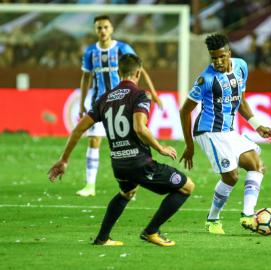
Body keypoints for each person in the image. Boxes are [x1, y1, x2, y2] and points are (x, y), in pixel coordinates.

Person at [48, 54, 194, 247]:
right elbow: (140, 128)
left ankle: (102, 238)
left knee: (127, 192)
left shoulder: (105, 98)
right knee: (186, 187)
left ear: (118, 72)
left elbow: (78, 129)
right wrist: (160, 148)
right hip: (140, 163)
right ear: (139, 72)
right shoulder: (140, 95)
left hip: (119, 164)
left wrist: (64, 159)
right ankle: (151, 231)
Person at [179, 33, 271, 234]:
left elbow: (240, 100)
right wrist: (189, 146)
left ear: (229, 52)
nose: (218, 61)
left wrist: (257, 125)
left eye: (222, 56)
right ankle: (212, 219)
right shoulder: (205, 79)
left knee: (257, 166)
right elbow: (184, 110)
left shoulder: (241, 67)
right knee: (231, 177)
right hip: (208, 131)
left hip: (229, 130)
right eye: (214, 58)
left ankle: (248, 216)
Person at [77, 15, 163, 197]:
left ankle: (134, 184)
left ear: (112, 29)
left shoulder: (123, 48)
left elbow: (140, 69)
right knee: (94, 140)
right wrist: (81, 103)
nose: (102, 31)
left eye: (105, 27)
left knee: (132, 141)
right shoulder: (90, 52)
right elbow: (86, 78)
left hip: (123, 103)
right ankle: (90, 185)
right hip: (100, 103)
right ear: (95, 30)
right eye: (99, 28)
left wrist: (153, 93)